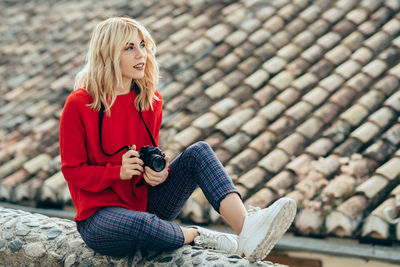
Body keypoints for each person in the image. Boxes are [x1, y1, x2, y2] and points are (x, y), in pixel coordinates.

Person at [59, 16, 296, 263]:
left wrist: (156, 174)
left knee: (200, 152)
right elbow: (72, 171)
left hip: (145, 203)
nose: (141, 55)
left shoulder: (150, 101)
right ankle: (197, 235)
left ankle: (246, 228)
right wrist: (116, 172)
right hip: (99, 217)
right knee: (143, 225)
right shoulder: (80, 104)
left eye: (143, 45)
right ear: (107, 54)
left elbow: (147, 156)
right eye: (129, 48)